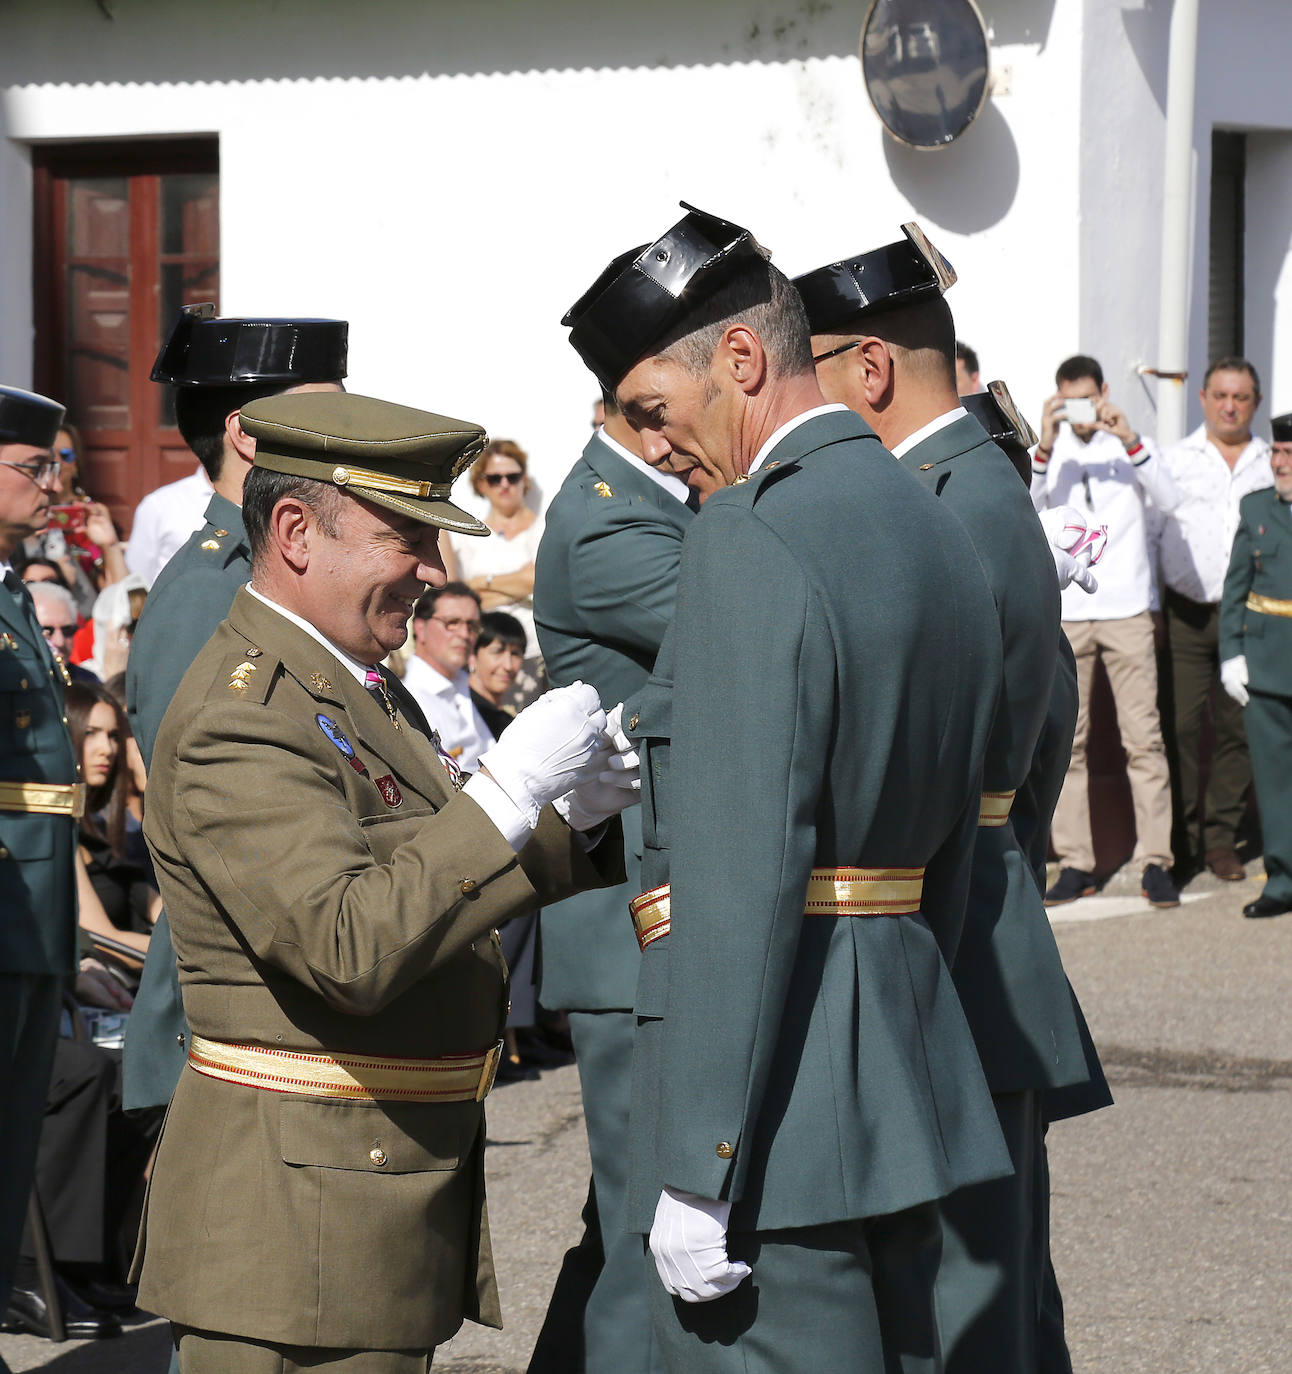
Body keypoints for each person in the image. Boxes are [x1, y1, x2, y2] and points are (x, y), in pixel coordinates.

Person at [565, 204, 1009, 1371]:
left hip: (772, 1103)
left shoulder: (746, 537)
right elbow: (954, 843)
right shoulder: (935, 520)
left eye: (654, 411)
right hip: (906, 1056)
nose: (654, 447)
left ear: (744, 361)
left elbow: (737, 870)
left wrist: (698, 1167)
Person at [132, 388, 633, 1372]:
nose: (432, 571)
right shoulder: (247, 714)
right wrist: (504, 790)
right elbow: (349, 945)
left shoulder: (351, 685)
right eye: (406, 536)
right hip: (291, 1237)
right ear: (294, 531)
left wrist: (570, 825)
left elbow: (424, 879)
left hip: (358, 1203)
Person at [795, 225, 1103, 1374]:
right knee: (1005, 1287)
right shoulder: (971, 483)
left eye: (808, 370)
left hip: (957, 928)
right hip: (986, 909)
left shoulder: (942, 505)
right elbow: (1041, 738)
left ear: (866, 371)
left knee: (973, 1306)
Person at [122, 303, 348, 1124]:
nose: (345, 433)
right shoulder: (210, 594)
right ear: (246, 435)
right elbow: (214, 822)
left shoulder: (269, 577)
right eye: (326, 414)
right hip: (220, 1024)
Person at [528, 386, 693, 1374]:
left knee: (625, 1218)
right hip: (631, 922)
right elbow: (748, 632)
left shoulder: (650, 505)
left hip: (649, 912)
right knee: (643, 1227)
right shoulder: (607, 524)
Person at [1030, 354, 1182, 907]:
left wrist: (1130, 437)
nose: (1082, 414)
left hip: (1127, 612)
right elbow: (1024, 510)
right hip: (1069, 611)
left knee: (1144, 739)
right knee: (1068, 742)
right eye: (1069, 402)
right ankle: (1075, 861)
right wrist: (1045, 445)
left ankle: (1156, 861)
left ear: (1104, 393)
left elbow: (1172, 500)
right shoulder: (1055, 453)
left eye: (1088, 399)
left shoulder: (1130, 446)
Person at [0, 383, 80, 1325]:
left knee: (12, 1136)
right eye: (31, 467)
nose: (51, 484)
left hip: (34, 895)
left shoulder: (14, 589)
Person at [1158, 358, 1272, 881]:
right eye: (1221, 395)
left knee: (1238, 727)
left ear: (1255, 403)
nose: (1230, 406)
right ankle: (1182, 843)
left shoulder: (1273, 464)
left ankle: (1222, 840)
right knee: (1179, 726)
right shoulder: (1175, 460)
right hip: (1185, 613)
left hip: (1249, 617)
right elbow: (1152, 531)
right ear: (1202, 398)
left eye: (1241, 397)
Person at [1218, 411, 1292, 919]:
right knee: (1275, 781)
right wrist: (1232, 654)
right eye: (1276, 452)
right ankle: (1283, 880)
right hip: (1267, 665)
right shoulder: (1257, 506)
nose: (1279, 462)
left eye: (1289, 455)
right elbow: (1236, 587)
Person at [448, 439, 545, 708]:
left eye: (512, 477)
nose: (504, 484)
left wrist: (485, 583)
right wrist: (521, 586)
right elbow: (467, 597)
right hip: (482, 658)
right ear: (481, 484)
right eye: (494, 478)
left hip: (534, 655)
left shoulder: (544, 529)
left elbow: (540, 581)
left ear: (524, 480)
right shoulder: (469, 537)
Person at [67, 681, 161, 940]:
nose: (106, 750)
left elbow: (164, 915)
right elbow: (104, 941)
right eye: (90, 733)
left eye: (113, 736)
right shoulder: (60, 833)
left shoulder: (97, 832)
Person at [402, 583, 493, 769]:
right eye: (452, 623)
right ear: (420, 628)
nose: (465, 634)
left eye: (472, 625)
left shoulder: (465, 686)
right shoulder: (408, 699)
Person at [469, 609, 526, 740]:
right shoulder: (461, 709)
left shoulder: (509, 725)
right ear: (472, 655)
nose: (508, 666)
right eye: (497, 652)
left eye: (515, 654)